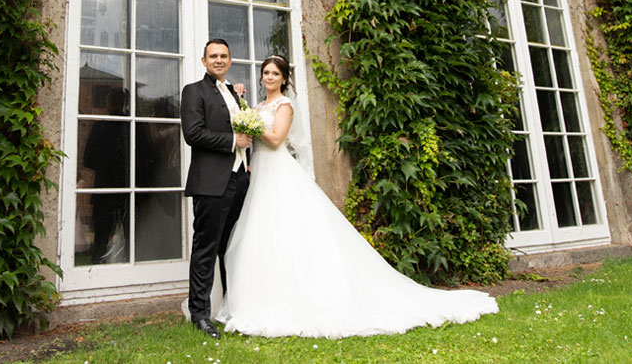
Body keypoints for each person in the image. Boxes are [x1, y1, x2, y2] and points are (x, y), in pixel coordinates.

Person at [214, 55, 499, 338]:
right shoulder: (260, 105)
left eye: (275, 73)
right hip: (261, 172)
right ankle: (262, 296)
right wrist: (244, 109)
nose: (269, 77)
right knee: (264, 233)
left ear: (284, 78)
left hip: (279, 171)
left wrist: (252, 124)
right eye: (266, 73)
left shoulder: (285, 105)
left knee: (289, 230)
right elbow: (248, 131)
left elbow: (276, 139)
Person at [180, 38, 253, 338]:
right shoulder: (193, 92)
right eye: (213, 56)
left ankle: (229, 308)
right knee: (206, 249)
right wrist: (234, 143)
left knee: (231, 247)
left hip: (239, 179)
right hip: (211, 182)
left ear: (230, 60)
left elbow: (246, 129)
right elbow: (193, 133)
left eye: (224, 56)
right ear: (204, 61)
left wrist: (246, 159)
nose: (219, 60)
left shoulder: (235, 94)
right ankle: (200, 314)